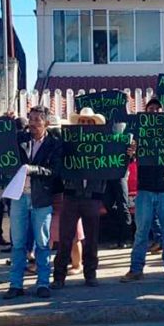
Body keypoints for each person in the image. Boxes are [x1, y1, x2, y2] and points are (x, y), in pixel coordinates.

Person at [4, 106, 62, 299]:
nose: (34, 123)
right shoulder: (21, 139)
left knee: (42, 243)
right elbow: (1, 141)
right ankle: (15, 284)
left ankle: (43, 283)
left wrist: (33, 170)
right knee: (18, 243)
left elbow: (54, 171)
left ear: (46, 122)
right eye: (31, 119)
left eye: (38, 119)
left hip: (41, 199)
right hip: (19, 197)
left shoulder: (54, 143)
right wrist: (5, 121)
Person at [122, 98, 164, 283]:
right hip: (145, 188)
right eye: (151, 108)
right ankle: (135, 269)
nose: (155, 111)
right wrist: (130, 152)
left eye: (158, 109)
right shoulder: (138, 135)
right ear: (146, 111)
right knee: (141, 231)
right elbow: (126, 161)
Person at [52, 107, 109, 289]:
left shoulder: (102, 144)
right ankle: (59, 276)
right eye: (82, 121)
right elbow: (58, 161)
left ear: (94, 124)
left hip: (92, 197)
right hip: (71, 195)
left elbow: (115, 163)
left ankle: (90, 274)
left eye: (88, 122)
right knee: (65, 238)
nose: (84, 124)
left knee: (91, 239)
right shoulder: (67, 142)